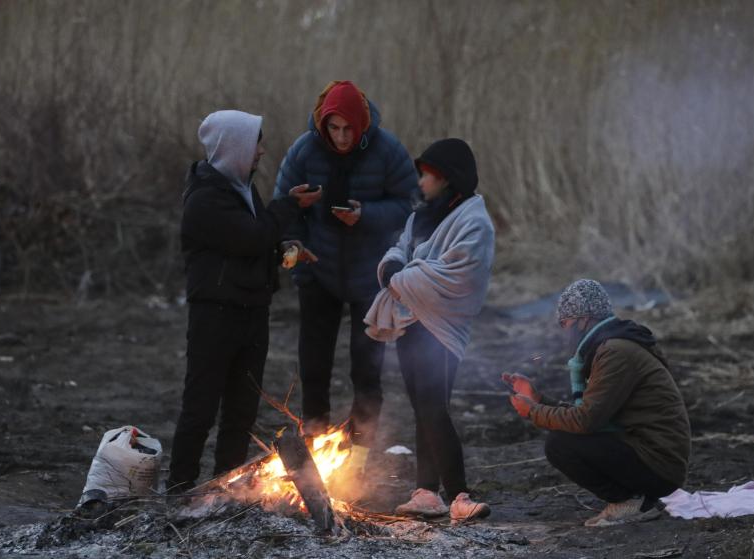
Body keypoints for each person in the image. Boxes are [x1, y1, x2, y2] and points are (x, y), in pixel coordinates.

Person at [167, 110, 321, 493]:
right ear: (234, 148)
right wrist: (287, 207)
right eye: (255, 144)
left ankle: (226, 489)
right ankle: (178, 489)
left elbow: (251, 247)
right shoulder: (204, 200)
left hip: (252, 313)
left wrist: (284, 249)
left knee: (241, 411)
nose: (262, 152)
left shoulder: (243, 192)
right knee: (200, 408)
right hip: (214, 317)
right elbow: (250, 237)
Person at [273, 81, 418, 479]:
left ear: (361, 125)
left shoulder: (387, 150)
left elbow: (411, 206)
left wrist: (366, 214)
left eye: (347, 130)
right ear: (323, 125)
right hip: (318, 271)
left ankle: (356, 463)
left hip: (369, 275)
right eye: (333, 129)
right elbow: (282, 205)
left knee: (365, 370)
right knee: (314, 366)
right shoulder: (304, 149)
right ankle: (315, 456)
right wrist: (294, 245)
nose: (340, 137)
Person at [364, 138, 495, 523]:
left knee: (435, 407)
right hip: (410, 322)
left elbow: (460, 278)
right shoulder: (422, 215)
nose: (420, 181)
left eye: (427, 175)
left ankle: (459, 495)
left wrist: (399, 276)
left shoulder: (475, 222)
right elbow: (399, 250)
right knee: (422, 408)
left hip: (442, 325)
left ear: (449, 179)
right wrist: (394, 268)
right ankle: (426, 492)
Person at [504, 279, 691, 527]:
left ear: (583, 319)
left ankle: (631, 502)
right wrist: (538, 400)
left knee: (560, 444)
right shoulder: (612, 344)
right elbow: (589, 412)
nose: (564, 331)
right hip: (652, 455)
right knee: (565, 436)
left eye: (565, 322)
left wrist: (534, 411)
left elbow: (586, 421)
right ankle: (636, 496)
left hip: (659, 465)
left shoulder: (615, 352)